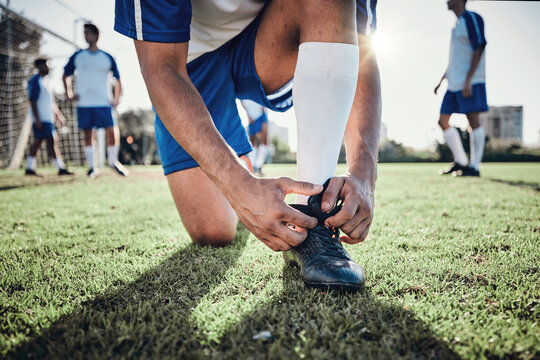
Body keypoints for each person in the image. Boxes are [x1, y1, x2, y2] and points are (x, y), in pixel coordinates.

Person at [115, 0, 380, 291]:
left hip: (267, 38)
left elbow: (359, 42)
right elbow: (160, 67)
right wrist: (238, 185)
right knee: (213, 232)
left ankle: (311, 219)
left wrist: (365, 172)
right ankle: (241, 168)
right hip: (188, 58)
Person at [63, 23, 128, 177]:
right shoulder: (78, 56)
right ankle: (92, 167)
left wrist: (116, 98)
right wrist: (69, 93)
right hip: (84, 102)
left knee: (112, 131)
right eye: (84, 33)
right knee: (87, 134)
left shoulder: (106, 57)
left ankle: (113, 162)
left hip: (103, 102)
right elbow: (65, 75)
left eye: (88, 33)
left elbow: (118, 79)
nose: (86, 36)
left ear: (96, 35)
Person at [435, 0, 488, 177]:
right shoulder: (455, 26)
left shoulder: (471, 18)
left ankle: (474, 167)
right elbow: (455, 59)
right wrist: (442, 80)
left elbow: (479, 46)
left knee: (473, 120)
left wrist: (469, 79)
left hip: (469, 81)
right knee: (442, 121)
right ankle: (462, 162)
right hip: (453, 83)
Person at [25, 58, 74, 177]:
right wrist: (37, 119)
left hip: (48, 118)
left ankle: (29, 168)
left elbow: (51, 103)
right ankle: (60, 167)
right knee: (51, 140)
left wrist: (58, 115)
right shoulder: (36, 80)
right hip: (41, 118)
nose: (47, 68)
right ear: (40, 66)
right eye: (45, 66)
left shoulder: (46, 82)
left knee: (39, 142)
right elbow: (32, 100)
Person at [241, 99, 269, 175]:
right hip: (252, 119)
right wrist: (249, 117)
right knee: (253, 142)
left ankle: (259, 166)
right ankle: (253, 166)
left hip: (261, 116)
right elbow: (243, 106)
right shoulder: (242, 94)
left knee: (265, 140)